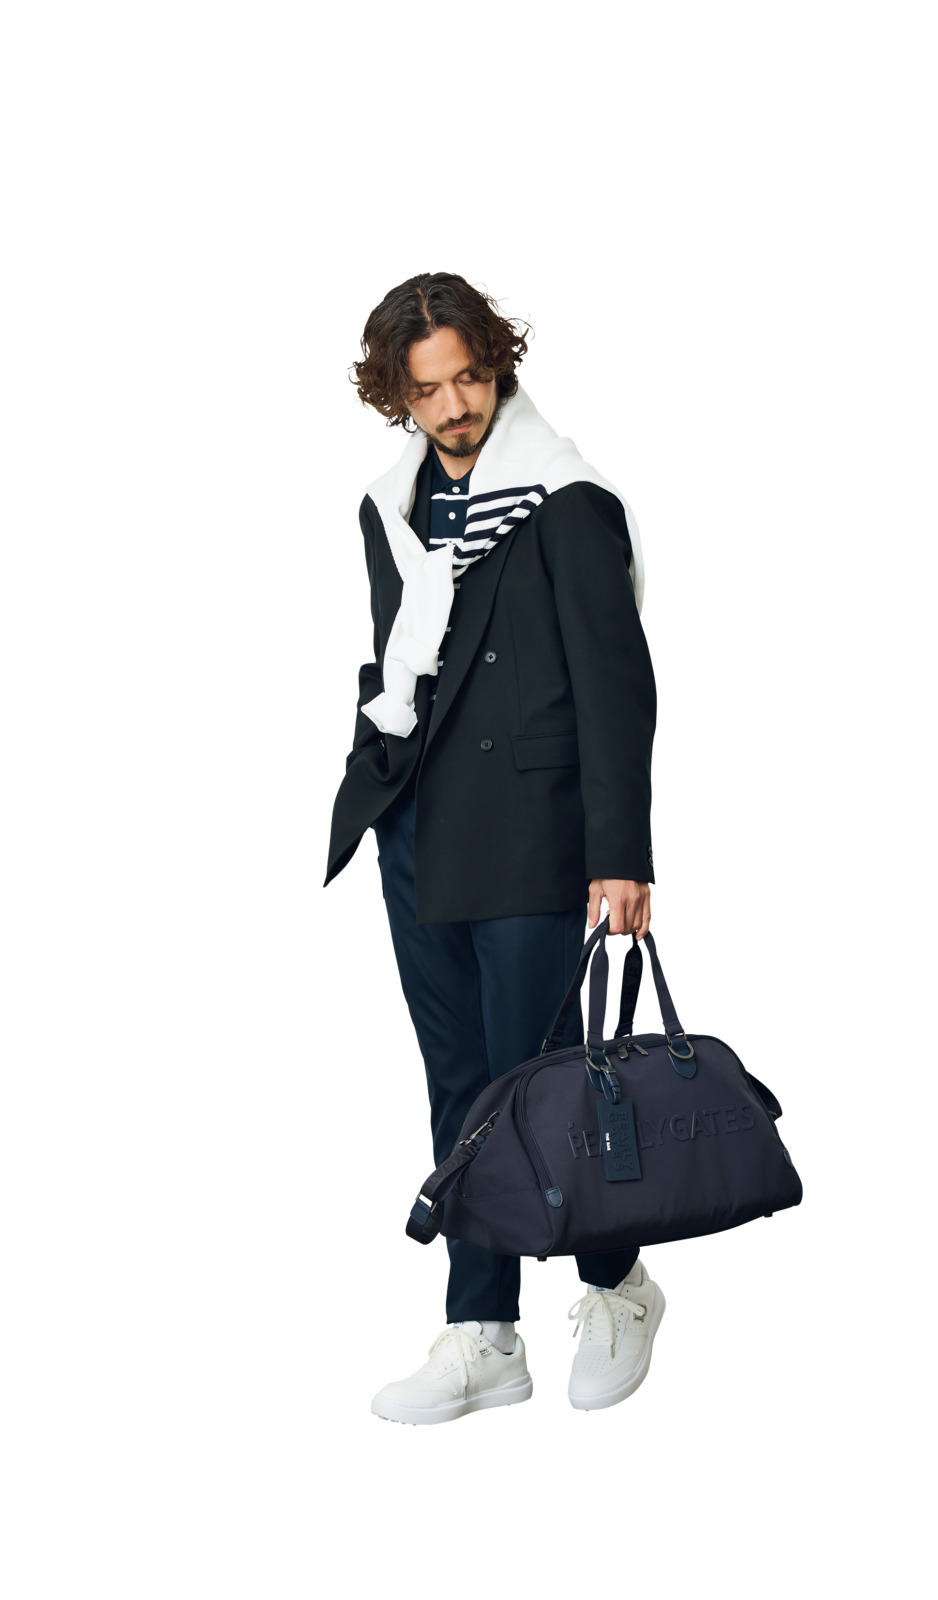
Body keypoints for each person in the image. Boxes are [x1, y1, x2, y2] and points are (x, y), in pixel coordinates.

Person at [324, 271, 664, 1424]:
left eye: (468, 377)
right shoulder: (390, 509)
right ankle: (483, 1329)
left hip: (531, 828)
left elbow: (615, 686)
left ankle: (617, 1283)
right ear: (397, 395)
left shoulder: (565, 500)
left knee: (542, 1087)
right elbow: (399, 665)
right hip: (420, 831)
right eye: (427, 389)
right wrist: (375, 778)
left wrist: (620, 852)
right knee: (459, 1086)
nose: (454, 405)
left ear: (496, 366)